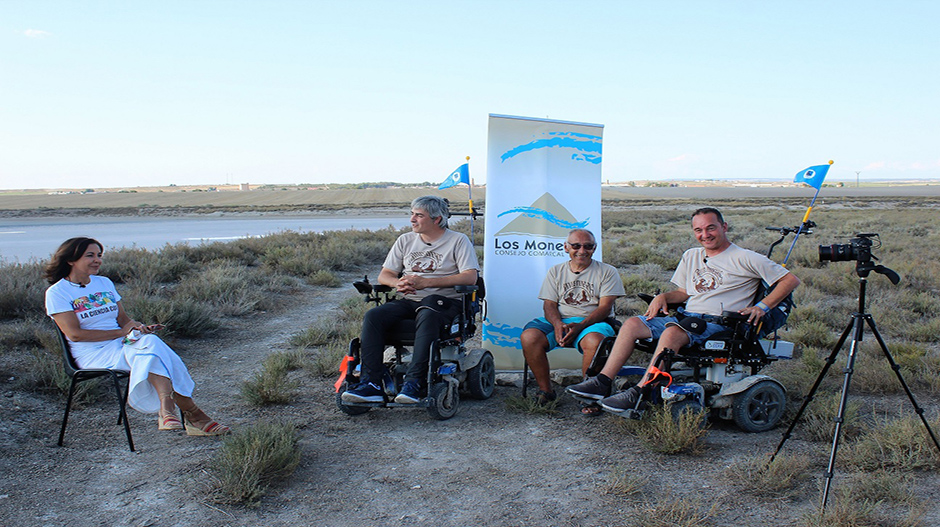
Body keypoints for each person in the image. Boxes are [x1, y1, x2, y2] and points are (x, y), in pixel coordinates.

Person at [567, 207, 801, 413]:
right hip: (688, 319)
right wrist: (663, 297)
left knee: (671, 333)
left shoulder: (745, 257)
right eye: (699, 230)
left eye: (711, 228)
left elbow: (790, 280)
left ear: (724, 227)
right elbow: (684, 293)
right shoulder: (692, 255)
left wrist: (762, 306)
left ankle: (641, 392)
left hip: (719, 325)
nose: (705, 235)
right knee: (632, 324)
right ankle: (602, 382)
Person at [44, 237, 229, 436]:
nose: (97, 260)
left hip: (122, 344)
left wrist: (137, 328)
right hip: (92, 353)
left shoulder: (103, 282)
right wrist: (121, 332)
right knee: (152, 352)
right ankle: (190, 414)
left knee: (149, 342)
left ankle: (168, 410)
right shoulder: (57, 292)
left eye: (99, 255)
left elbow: (123, 319)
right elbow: (75, 335)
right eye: (90, 255)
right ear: (71, 259)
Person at [342, 196, 480, 404]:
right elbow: (385, 275)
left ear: (436, 219)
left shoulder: (457, 240)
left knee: (428, 308)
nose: (412, 220)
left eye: (419, 215)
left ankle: (415, 382)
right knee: (374, 315)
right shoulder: (405, 240)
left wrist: (427, 283)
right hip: (409, 299)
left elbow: (470, 277)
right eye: (412, 214)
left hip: (444, 302)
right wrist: (398, 284)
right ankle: (370, 384)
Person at [520, 229, 624, 410]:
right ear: (566, 248)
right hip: (560, 320)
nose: (582, 251)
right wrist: (558, 324)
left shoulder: (607, 272)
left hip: (591, 322)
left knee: (595, 341)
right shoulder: (556, 271)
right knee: (529, 337)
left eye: (588, 246)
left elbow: (605, 308)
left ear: (594, 248)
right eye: (576, 246)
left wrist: (580, 326)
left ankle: (590, 394)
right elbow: (549, 305)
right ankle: (546, 391)